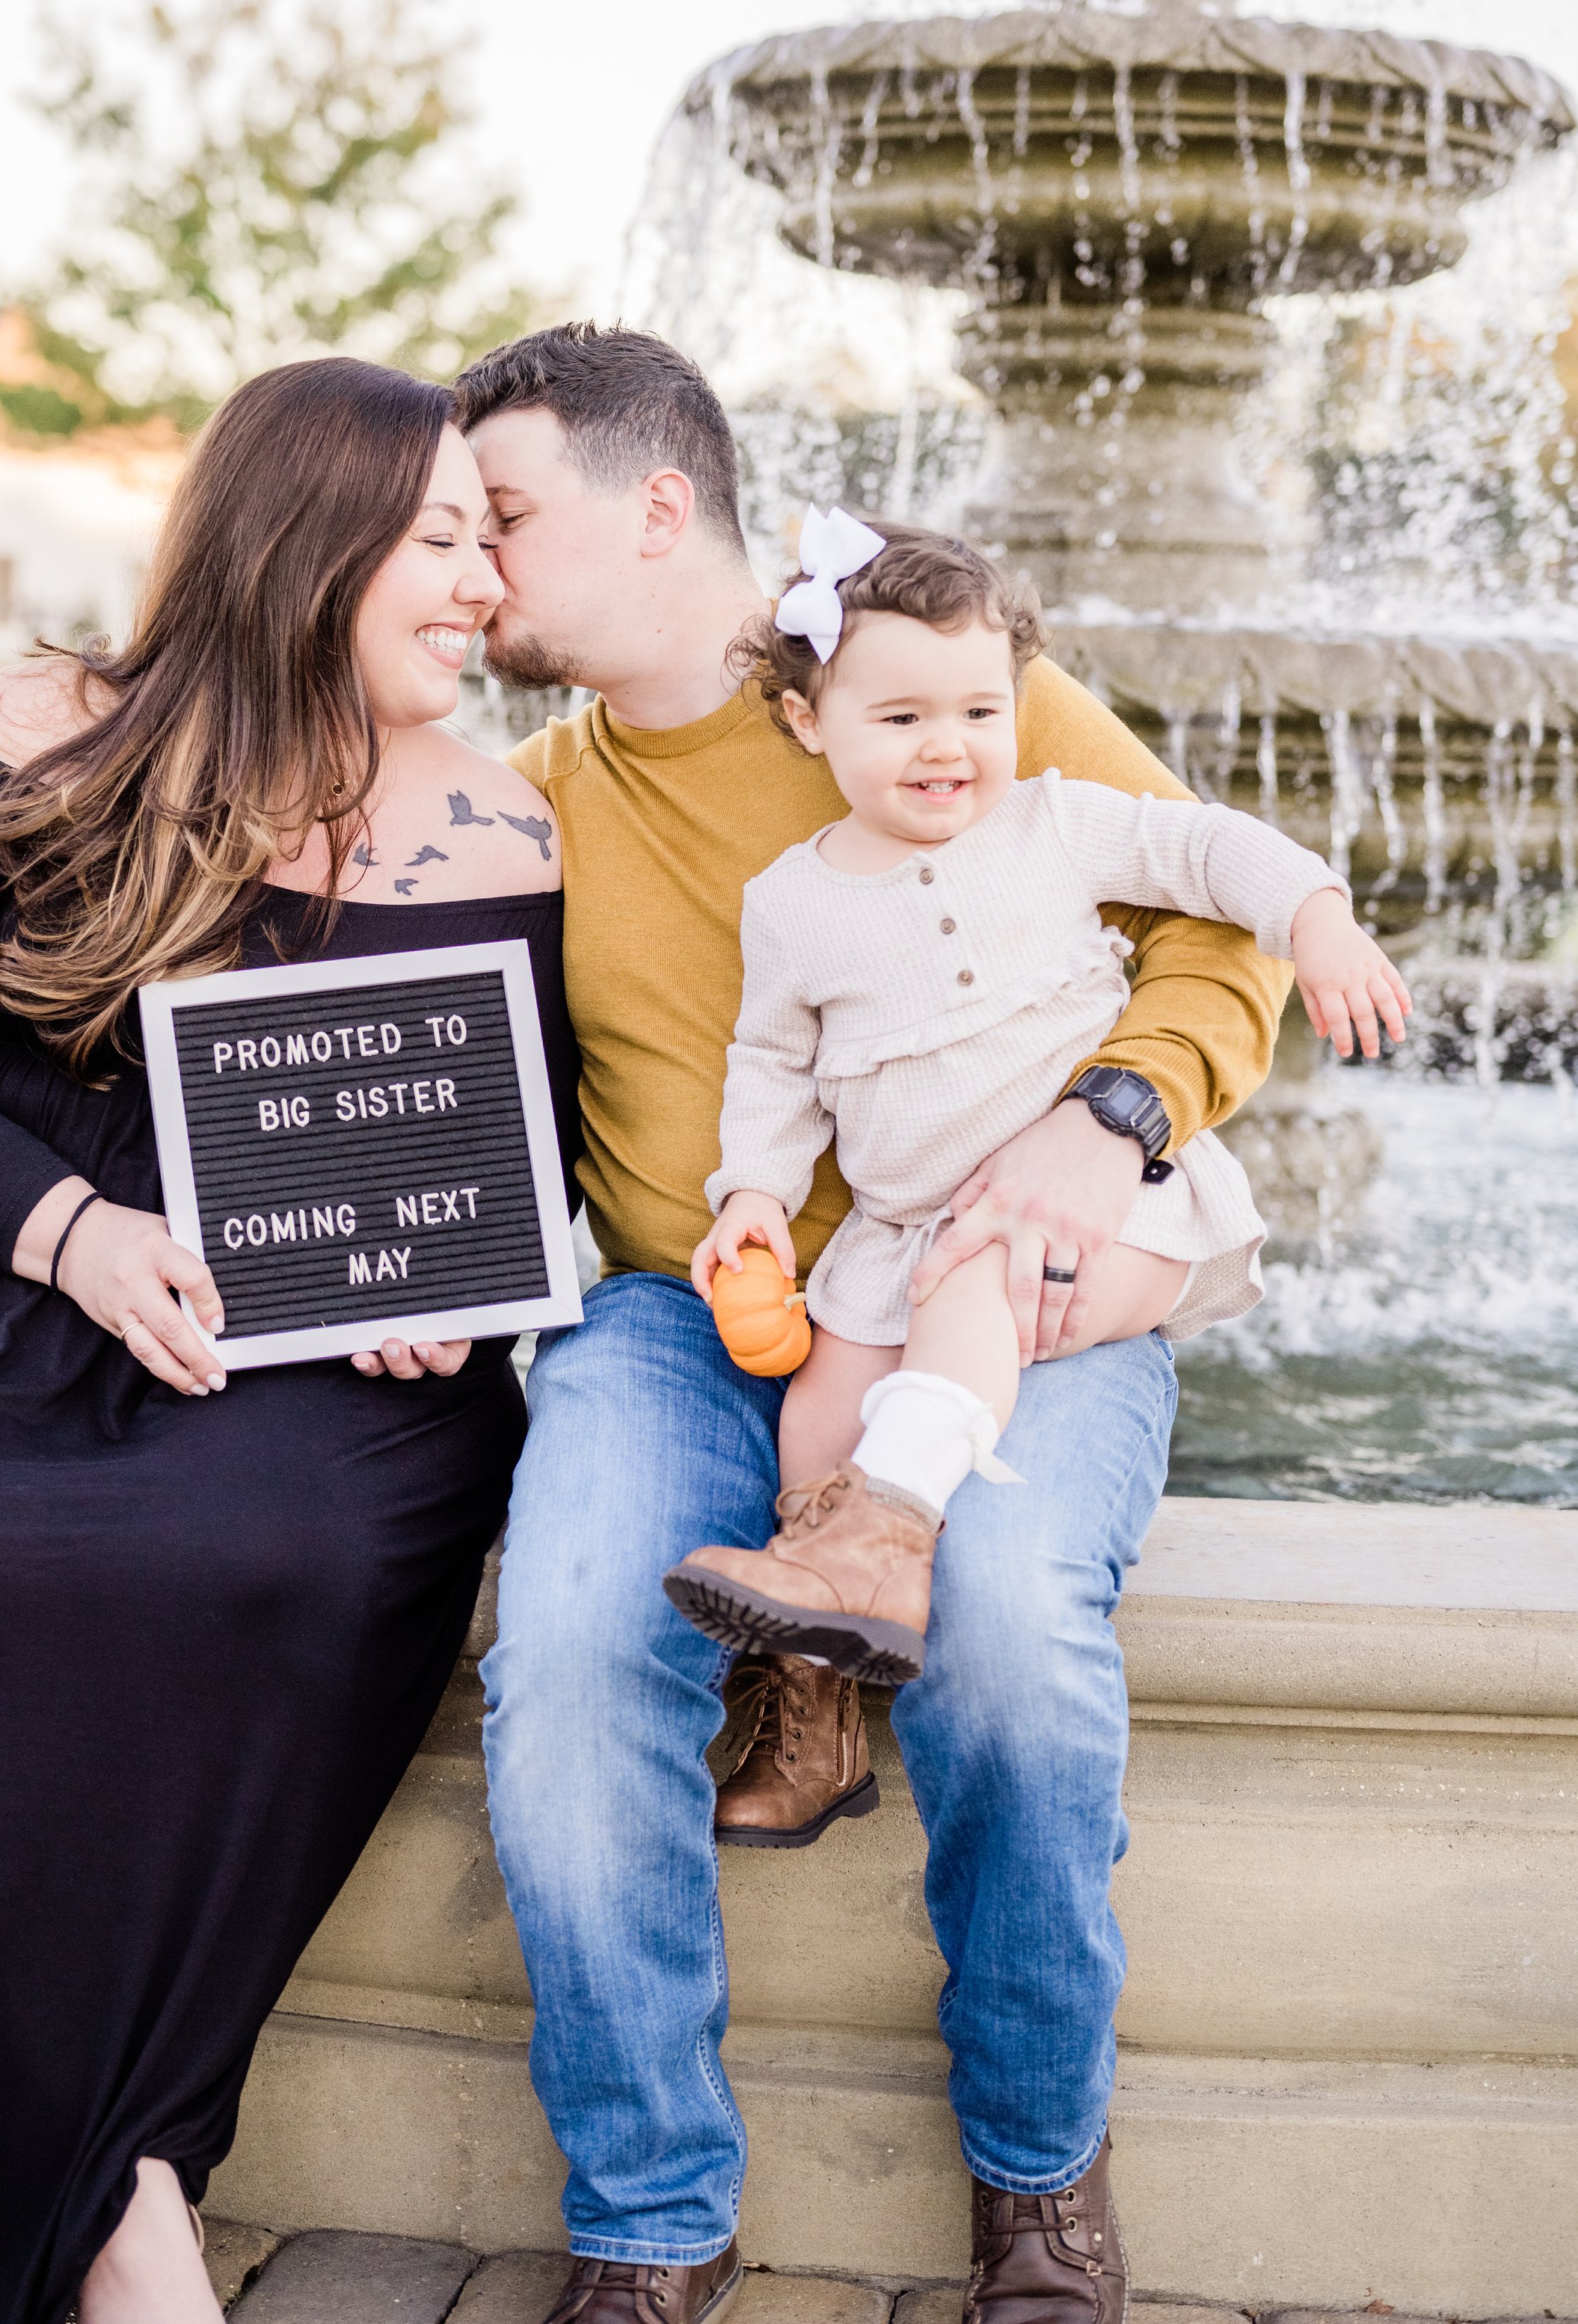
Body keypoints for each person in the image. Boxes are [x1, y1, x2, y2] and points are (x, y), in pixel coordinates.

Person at [0, 360, 577, 2324]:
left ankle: (119, 2177)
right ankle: (117, 2202)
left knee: (291, 1549)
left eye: (488, 544)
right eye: (440, 538)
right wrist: (69, 1230)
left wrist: (446, 1286)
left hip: (300, 1343)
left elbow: (479, 1142)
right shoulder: (42, 729)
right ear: (311, 536)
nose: (479, 587)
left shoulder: (501, 829)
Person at [453, 322, 1297, 2324]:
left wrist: (1112, 1123)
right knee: (568, 1648)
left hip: (996, 1276)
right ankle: (650, 2214)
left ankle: (1036, 2177)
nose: (467, 565)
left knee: (1005, 1626)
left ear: (656, 504)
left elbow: (1214, 914)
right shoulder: (516, 801)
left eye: (498, 515)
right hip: (679, 1312)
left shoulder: (916, 675)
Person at [665, 516, 1407, 1682]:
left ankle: (888, 1533)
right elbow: (771, 1065)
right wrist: (753, 1191)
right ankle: (820, 1649)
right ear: (809, 721)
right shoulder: (790, 901)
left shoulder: (1053, 822)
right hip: (903, 1229)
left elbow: (1207, 849)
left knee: (978, 1280)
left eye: (978, 711)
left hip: (1111, 1211)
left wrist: (1317, 917)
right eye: (901, 717)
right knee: (815, 1418)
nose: (947, 746)